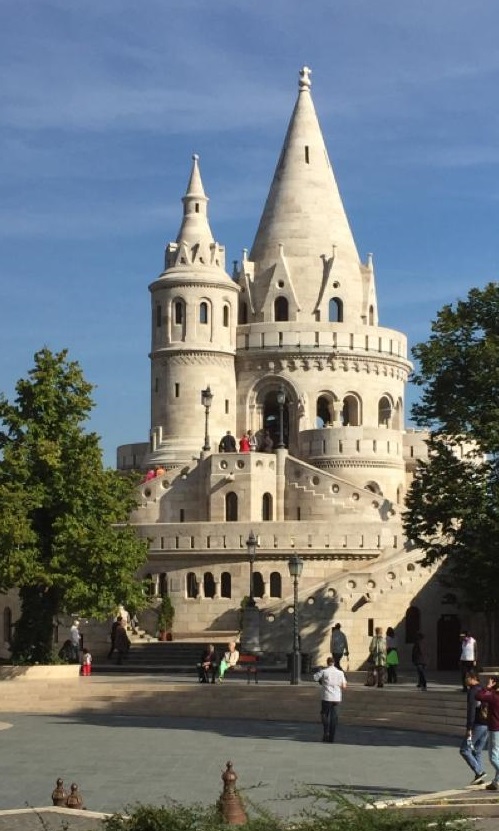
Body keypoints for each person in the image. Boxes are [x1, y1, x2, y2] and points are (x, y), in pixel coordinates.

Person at [460, 670, 488, 785]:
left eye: (467, 677)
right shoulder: (483, 689)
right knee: (477, 751)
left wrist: (469, 728)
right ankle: (479, 777)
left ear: (473, 678)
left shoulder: (473, 692)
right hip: (487, 724)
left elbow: (471, 710)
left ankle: (479, 771)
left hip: (477, 724)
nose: (465, 680)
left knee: (464, 749)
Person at [313, 656, 347, 743]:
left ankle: (326, 732)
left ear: (327, 663)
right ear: (334, 662)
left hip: (326, 697)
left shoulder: (324, 671)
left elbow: (315, 678)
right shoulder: (340, 673)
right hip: (336, 698)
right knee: (334, 717)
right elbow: (344, 686)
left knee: (324, 714)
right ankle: (332, 736)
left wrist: (322, 680)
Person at [476, 675, 499, 790]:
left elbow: (478, 695)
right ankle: (495, 782)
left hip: (495, 728)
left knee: (493, 757)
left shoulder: (494, 696)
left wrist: (487, 687)